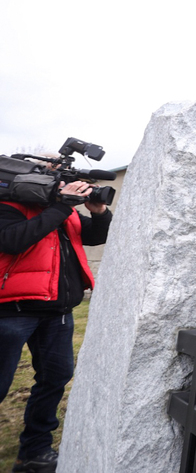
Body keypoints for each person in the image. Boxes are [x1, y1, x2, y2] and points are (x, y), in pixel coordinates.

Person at [1, 180, 112, 473]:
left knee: (55, 378)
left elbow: (95, 236)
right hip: (10, 311)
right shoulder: (8, 206)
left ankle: (34, 453)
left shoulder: (66, 212)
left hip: (57, 312)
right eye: (58, 180)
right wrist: (61, 205)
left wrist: (99, 212)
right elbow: (12, 241)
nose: (63, 185)